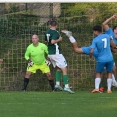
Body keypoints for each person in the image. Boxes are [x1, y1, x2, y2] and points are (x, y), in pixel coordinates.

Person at [44, 20, 74, 94]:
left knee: (59, 68)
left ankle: (57, 84)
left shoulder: (47, 32)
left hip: (50, 53)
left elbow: (46, 41)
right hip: (56, 53)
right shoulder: (55, 32)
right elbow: (52, 42)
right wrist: (59, 39)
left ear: (50, 25)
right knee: (64, 68)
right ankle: (66, 86)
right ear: (56, 25)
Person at [89, 25, 114, 93]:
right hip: (110, 58)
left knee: (98, 72)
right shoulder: (107, 36)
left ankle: (96, 88)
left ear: (96, 31)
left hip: (101, 59)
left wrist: (90, 55)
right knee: (109, 72)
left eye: (94, 31)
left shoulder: (95, 39)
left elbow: (91, 50)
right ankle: (109, 89)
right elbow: (112, 43)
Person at [102, 14, 117, 83]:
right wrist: (112, 17)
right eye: (116, 29)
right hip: (101, 52)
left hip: (109, 54)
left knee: (114, 69)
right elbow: (104, 24)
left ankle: (114, 82)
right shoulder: (109, 32)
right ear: (114, 30)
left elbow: (114, 51)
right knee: (104, 71)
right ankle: (99, 87)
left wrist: (113, 45)